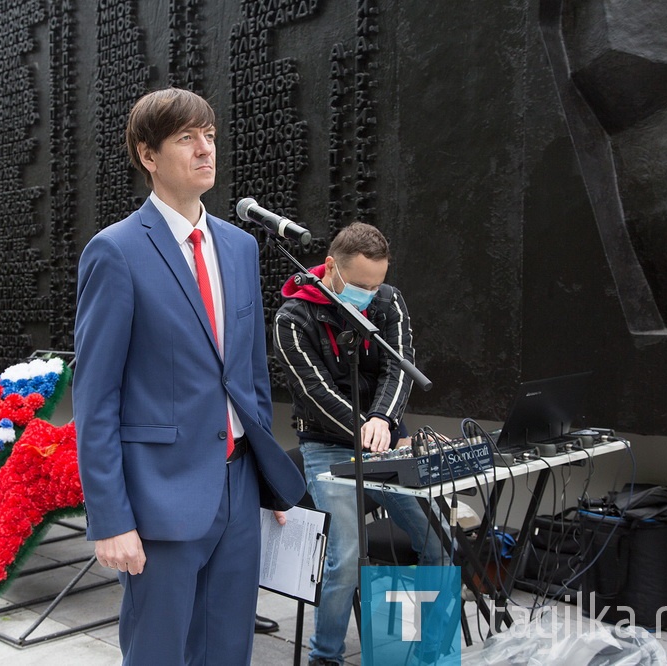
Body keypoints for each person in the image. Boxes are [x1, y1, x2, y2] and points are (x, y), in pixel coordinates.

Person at [74, 87, 306, 666]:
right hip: (160, 497)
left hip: (237, 488)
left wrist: (269, 481)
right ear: (147, 155)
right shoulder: (116, 252)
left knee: (228, 651)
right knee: (158, 655)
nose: (206, 150)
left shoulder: (240, 246)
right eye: (187, 138)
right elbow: (95, 397)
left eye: (210, 136)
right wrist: (111, 519)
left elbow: (249, 380)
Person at [273, 222, 449, 666]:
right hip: (326, 447)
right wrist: (360, 428)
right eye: (359, 285)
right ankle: (325, 656)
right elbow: (312, 391)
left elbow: (400, 368)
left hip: (388, 438)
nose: (369, 295)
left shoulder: (388, 301)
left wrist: (382, 419)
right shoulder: (292, 319)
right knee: (347, 554)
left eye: (377, 284)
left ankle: (427, 646)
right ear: (330, 267)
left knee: (439, 539)